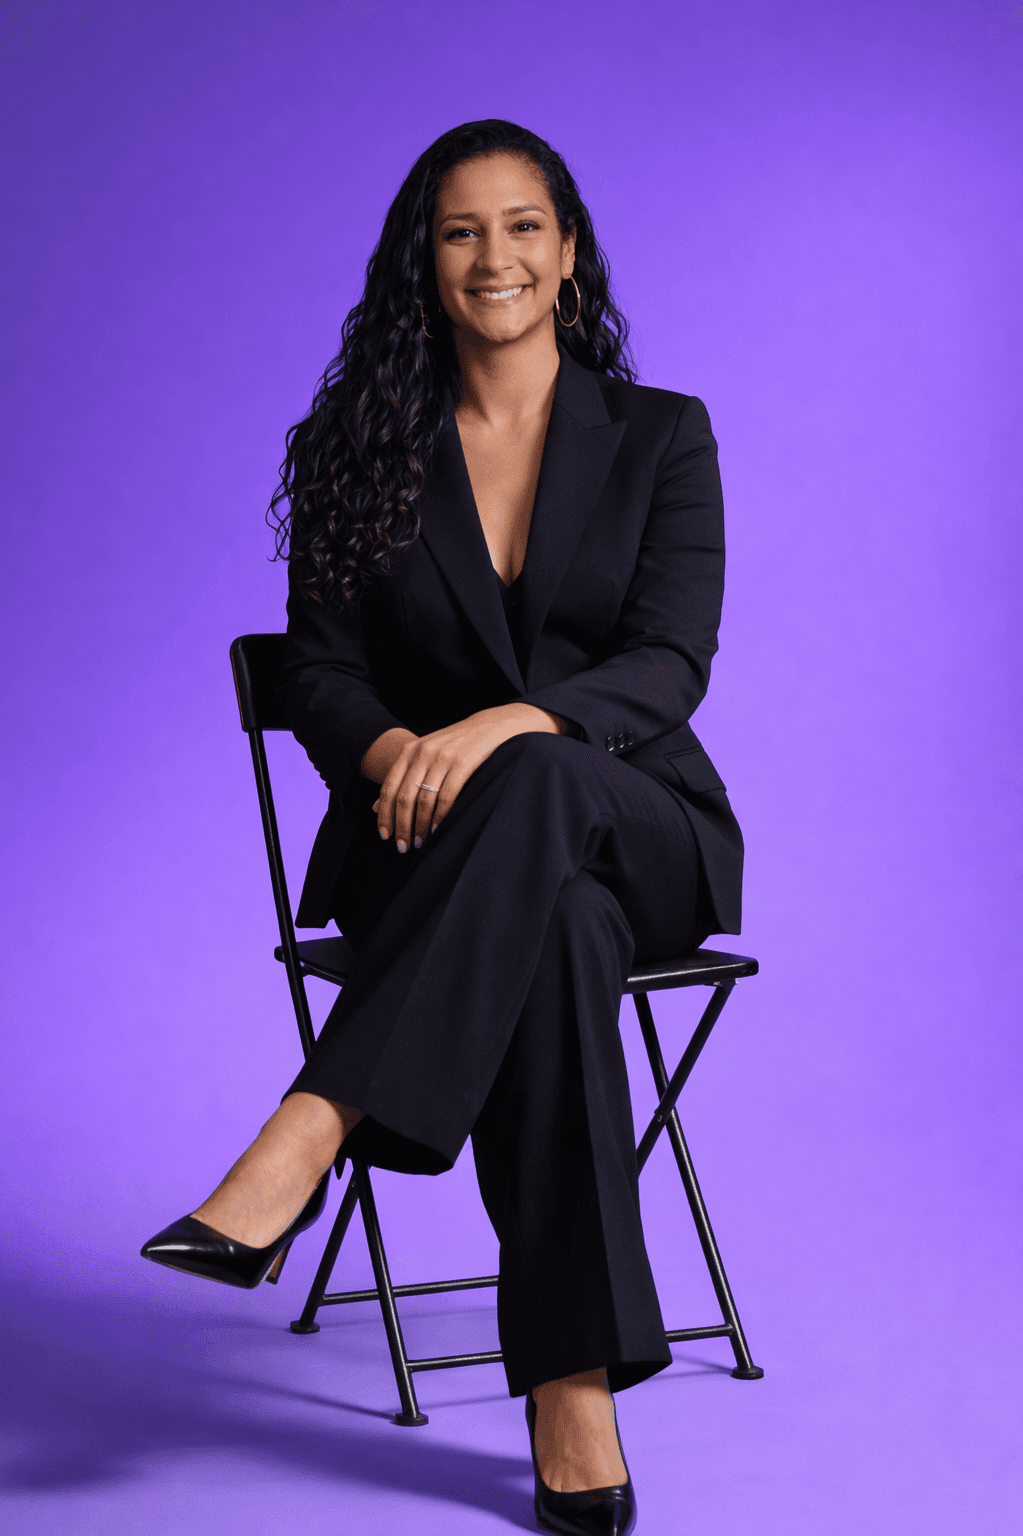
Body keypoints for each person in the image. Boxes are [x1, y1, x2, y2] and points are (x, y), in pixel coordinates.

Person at [142, 119, 743, 1536]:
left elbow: (670, 663)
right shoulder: (357, 451)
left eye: (524, 226)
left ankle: (311, 1125)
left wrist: (501, 727)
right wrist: (399, 746)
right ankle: (573, 1392)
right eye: (462, 230)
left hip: (640, 823)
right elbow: (318, 673)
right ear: (425, 260)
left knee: (539, 789)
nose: (495, 256)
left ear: (569, 252)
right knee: (559, 936)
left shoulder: (662, 434)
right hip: (428, 852)